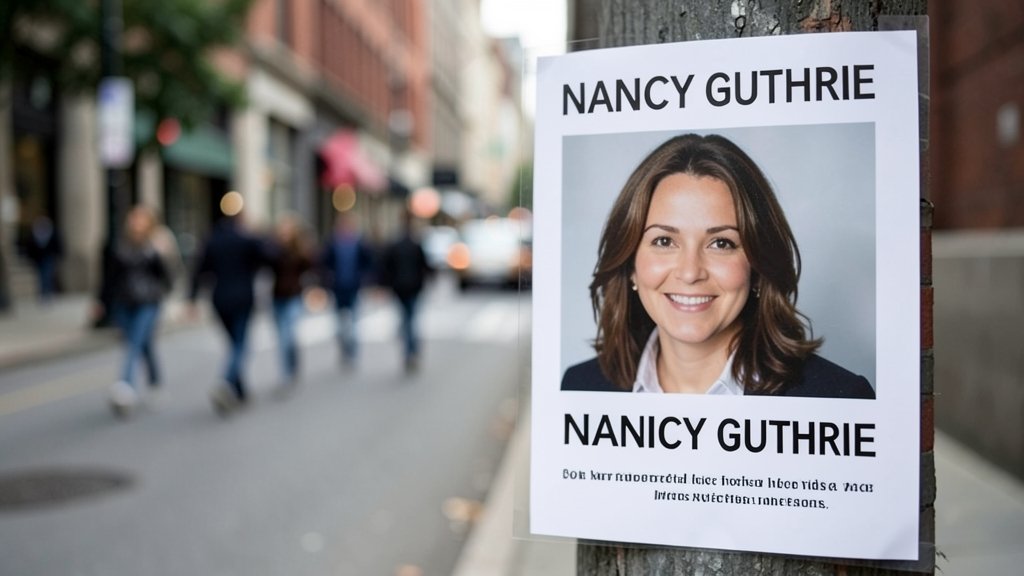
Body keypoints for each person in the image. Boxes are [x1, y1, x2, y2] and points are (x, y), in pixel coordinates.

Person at [561, 133, 874, 398]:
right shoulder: (581, 389)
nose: (690, 271)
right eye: (664, 241)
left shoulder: (839, 397)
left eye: (721, 243)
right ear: (630, 265)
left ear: (757, 266)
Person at [189, 210, 272, 414]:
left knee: (235, 345)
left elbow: (199, 270)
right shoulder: (247, 240)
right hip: (243, 299)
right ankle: (225, 382)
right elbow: (269, 258)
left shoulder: (212, 240)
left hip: (219, 299)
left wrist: (191, 298)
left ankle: (240, 391)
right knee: (240, 346)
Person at [105, 205, 173, 416]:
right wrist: (101, 302)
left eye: (142, 219)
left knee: (134, 343)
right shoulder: (120, 245)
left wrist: (161, 255)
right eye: (135, 218)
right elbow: (109, 277)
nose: (137, 223)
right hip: (124, 302)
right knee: (143, 344)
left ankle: (125, 387)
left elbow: (166, 278)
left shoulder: (155, 246)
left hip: (148, 302)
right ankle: (155, 380)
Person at [379, 211, 433, 373]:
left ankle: (410, 349)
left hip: (401, 288)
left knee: (407, 320)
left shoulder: (395, 244)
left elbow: (386, 267)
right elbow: (425, 266)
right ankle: (412, 349)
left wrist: (386, 284)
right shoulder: (416, 244)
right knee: (411, 320)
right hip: (412, 288)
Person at [320, 213, 374, 367]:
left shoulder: (359, 243)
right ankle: (344, 348)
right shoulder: (332, 243)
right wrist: (327, 279)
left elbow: (368, 262)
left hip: (353, 287)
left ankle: (352, 351)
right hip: (337, 288)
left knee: (354, 323)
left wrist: (364, 278)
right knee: (339, 324)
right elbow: (323, 263)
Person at [269, 214, 314, 392]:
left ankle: (289, 370)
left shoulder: (299, 251)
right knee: (282, 338)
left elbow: (311, 267)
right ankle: (285, 374)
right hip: (277, 298)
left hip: (294, 297)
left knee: (289, 337)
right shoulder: (274, 250)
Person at [23, 215, 63, 303]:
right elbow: (29, 247)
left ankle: (47, 293)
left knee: (47, 276)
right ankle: (43, 293)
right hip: (39, 259)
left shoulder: (52, 233)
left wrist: (59, 256)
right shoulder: (34, 234)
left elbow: (58, 245)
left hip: (49, 258)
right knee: (41, 277)